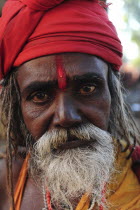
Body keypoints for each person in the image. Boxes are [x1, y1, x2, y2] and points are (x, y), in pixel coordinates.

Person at [0, 0, 140, 209]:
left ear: (113, 94)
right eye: (40, 96)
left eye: (87, 89)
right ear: (17, 106)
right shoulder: (7, 183)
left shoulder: (136, 174)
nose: (66, 116)